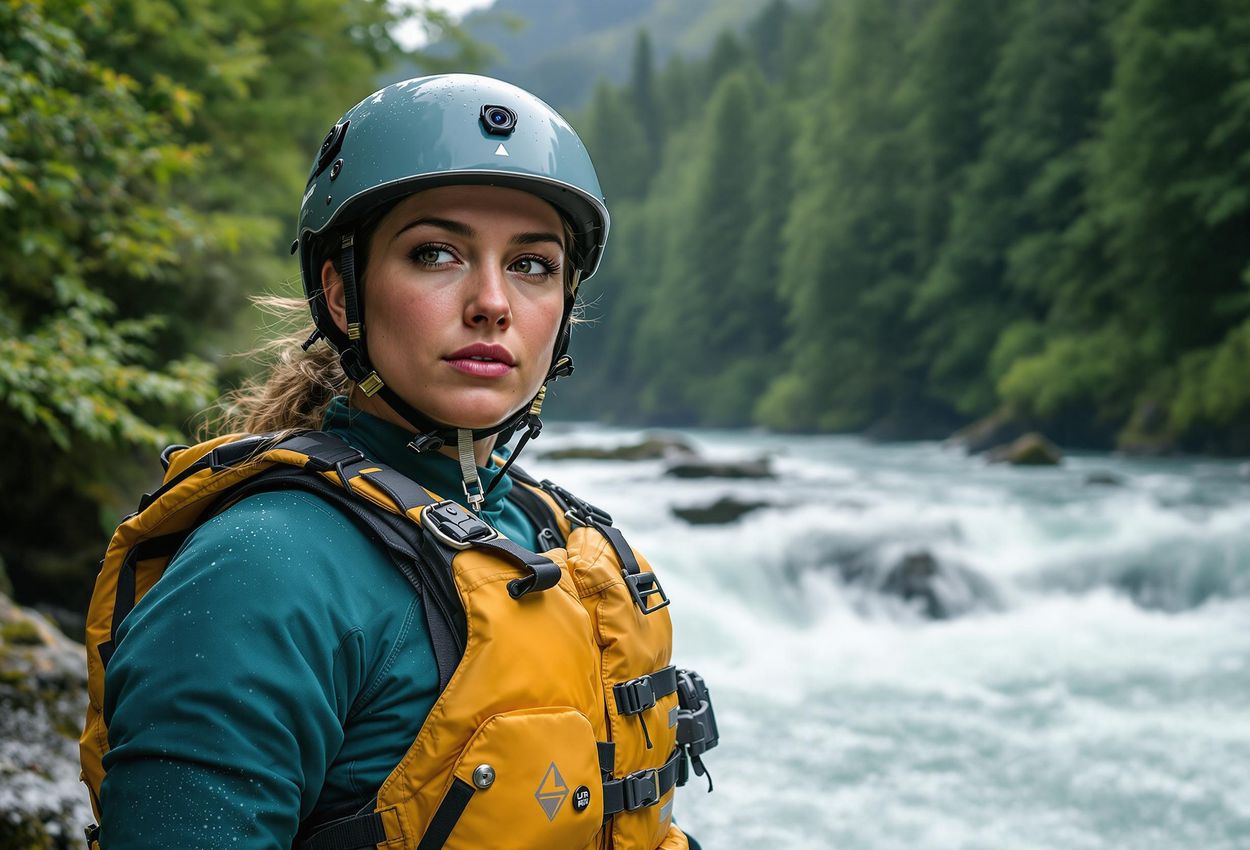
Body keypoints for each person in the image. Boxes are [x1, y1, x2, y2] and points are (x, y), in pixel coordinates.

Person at [79, 74, 717, 850]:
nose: (492, 302)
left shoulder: (549, 533)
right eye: (436, 253)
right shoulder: (260, 569)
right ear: (343, 295)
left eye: (532, 265)